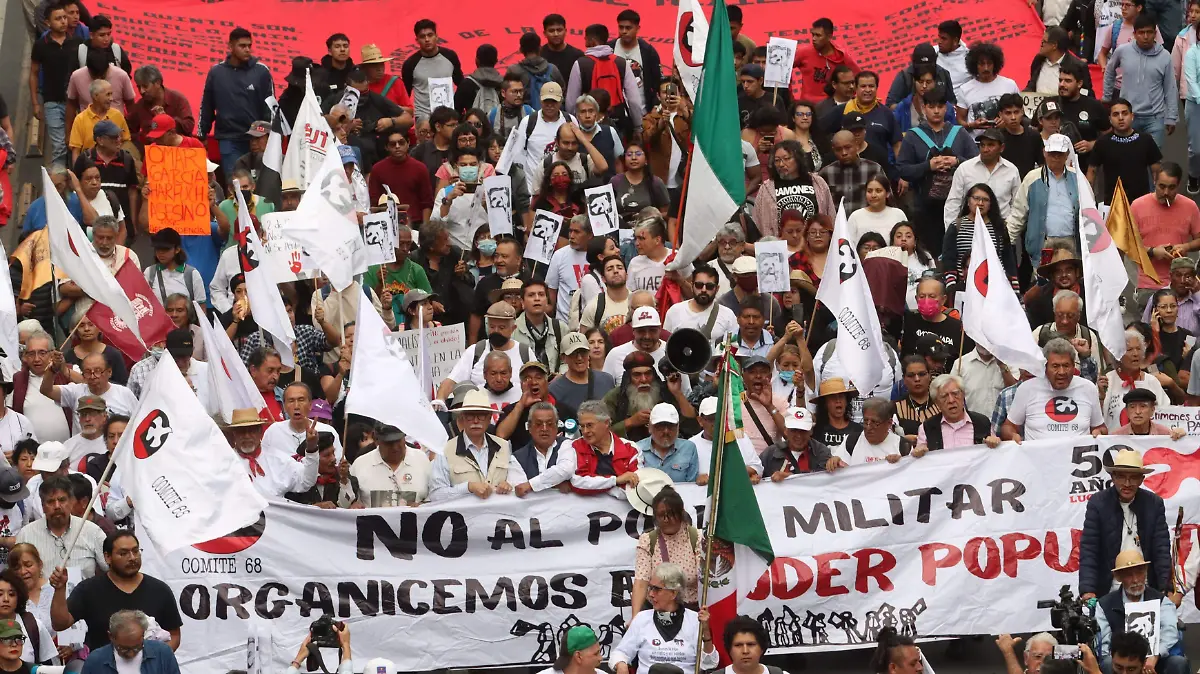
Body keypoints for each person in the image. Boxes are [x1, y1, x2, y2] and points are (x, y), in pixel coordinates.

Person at [1079, 448, 1170, 600]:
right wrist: (1087, 589)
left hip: (1146, 586)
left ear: (1141, 479)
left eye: (1133, 478)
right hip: (1109, 588)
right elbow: (1089, 549)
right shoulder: (1098, 503)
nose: (1127, 484)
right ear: (1113, 477)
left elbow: (1161, 548)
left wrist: (1165, 587)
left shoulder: (1154, 503)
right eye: (1121, 477)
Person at [896, 87, 977, 256]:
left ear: (946, 108)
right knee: (929, 254)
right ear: (924, 108)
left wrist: (957, 161)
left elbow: (977, 163)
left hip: (958, 206)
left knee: (959, 253)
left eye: (940, 106)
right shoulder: (912, 136)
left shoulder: (960, 133)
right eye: (931, 107)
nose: (936, 111)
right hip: (924, 208)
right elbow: (903, 169)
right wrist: (928, 166)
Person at [611, 562, 716, 674]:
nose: (651, 594)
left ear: (673, 593)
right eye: (650, 588)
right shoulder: (642, 619)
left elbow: (709, 664)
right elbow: (620, 653)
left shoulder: (695, 620)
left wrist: (706, 632)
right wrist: (621, 664)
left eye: (657, 589)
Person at [198, 28, 275, 177]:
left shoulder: (261, 71)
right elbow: (207, 105)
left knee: (259, 183)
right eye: (242, 46)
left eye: (249, 46)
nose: (247, 50)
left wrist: (267, 136)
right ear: (230, 46)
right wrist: (202, 134)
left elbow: (270, 107)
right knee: (235, 182)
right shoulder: (216, 72)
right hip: (229, 138)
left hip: (256, 138)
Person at [1095, 551, 1186, 674]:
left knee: (1178, 663)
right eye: (1129, 575)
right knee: (1107, 663)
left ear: (1146, 572)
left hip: (1156, 661)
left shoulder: (1161, 601)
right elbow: (1104, 645)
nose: (1135, 580)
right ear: (1118, 577)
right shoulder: (1104, 605)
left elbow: (1170, 631)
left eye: (1139, 572)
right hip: (1121, 663)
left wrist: (1155, 655)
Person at [1002, 338, 1105, 442]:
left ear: (1074, 366)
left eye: (1066, 366)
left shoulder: (1088, 388)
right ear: (1045, 367)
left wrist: (1099, 432)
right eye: (1055, 366)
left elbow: (1101, 427)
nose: (1061, 372)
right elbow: (1008, 427)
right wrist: (1013, 436)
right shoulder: (1026, 389)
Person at [429, 390, 525, 501]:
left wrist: (509, 485)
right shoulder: (445, 450)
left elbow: (519, 484)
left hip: (499, 511)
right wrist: (468, 487)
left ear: (489, 418)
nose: (475, 421)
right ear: (462, 418)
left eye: (481, 415)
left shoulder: (504, 446)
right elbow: (435, 494)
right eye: (470, 416)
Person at [1007, 134, 1083, 271]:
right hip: (1043, 243)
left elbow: (1089, 212)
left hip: (1072, 241)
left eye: (1060, 153)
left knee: (1071, 278)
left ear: (1067, 154)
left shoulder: (1078, 178)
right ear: (1044, 153)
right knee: (1043, 280)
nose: (1056, 157)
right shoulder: (1032, 178)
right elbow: (1018, 213)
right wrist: (1007, 242)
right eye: (1052, 153)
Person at [1104, 15, 1177, 149]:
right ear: (1134, 34)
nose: (1145, 36)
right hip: (1127, 116)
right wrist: (1107, 96)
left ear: (1155, 34)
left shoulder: (1165, 56)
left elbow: (1170, 88)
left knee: (1153, 158)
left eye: (1149, 32)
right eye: (1141, 33)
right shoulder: (1123, 51)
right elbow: (1109, 70)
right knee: (1127, 156)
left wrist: (1171, 117)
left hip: (1155, 118)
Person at [1129, 164, 1200, 297]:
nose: (1166, 192)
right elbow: (1128, 245)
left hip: (1180, 284)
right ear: (1154, 181)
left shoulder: (1190, 207)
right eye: (1162, 186)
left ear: (1178, 186)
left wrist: (1186, 246)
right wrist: (1153, 251)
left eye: (1171, 188)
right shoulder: (1138, 206)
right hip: (1148, 284)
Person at [15, 475, 104, 579]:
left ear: (71, 502)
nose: (57, 506)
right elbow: (17, 575)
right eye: (50, 501)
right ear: (43, 506)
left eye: (62, 500)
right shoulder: (26, 535)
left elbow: (110, 569)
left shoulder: (93, 532)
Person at [630, 487, 699, 621]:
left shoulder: (697, 538)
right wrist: (635, 619)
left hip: (690, 613)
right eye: (661, 515)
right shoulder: (647, 540)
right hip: (657, 612)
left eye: (670, 514)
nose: (666, 520)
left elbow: (705, 580)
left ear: (681, 512)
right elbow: (641, 583)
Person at [942, 183, 1019, 300]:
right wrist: (952, 287)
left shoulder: (999, 228)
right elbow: (949, 258)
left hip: (996, 287)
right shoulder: (956, 226)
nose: (980, 203)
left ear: (990, 204)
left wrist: (1014, 290)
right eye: (976, 198)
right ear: (968, 201)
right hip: (964, 287)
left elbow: (1008, 260)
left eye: (985, 200)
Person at [565, 24, 644, 136]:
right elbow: (634, 100)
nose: (585, 41)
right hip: (617, 120)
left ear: (592, 40)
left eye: (586, 38)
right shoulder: (621, 63)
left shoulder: (580, 64)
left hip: (588, 124)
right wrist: (637, 126)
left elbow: (571, 102)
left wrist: (574, 124)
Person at [223, 408, 318, 498]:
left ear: (260, 432)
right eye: (241, 431)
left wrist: (311, 448)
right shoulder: (223, 463)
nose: (247, 436)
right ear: (234, 434)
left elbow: (306, 481)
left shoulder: (278, 459)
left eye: (252, 431)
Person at [30, 3, 81, 168]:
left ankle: (74, 179)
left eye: (64, 17)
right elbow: (34, 73)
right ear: (47, 22)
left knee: (75, 144)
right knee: (59, 147)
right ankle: (59, 180)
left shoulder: (77, 43)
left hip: (75, 103)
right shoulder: (41, 45)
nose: (63, 21)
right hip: (52, 101)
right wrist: (35, 103)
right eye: (58, 19)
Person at [752, 140, 835, 237]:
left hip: (813, 242)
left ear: (798, 159)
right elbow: (758, 222)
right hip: (779, 243)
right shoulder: (766, 188)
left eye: (787, 158)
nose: (781, 164)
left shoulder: (817, 182)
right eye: (777, 160)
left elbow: (830, 215)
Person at [557, 400, 640, 497]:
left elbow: (635, 486)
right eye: (582, 426)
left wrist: (598, 486)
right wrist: (616, 480)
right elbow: (578, 482)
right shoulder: (573, 446)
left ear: (606, 423)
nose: (585, 431)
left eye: (589, 425)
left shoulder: (631, 448)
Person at [944, 129, 1021, 225]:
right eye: (982, 145)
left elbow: (1017, 205)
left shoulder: (1011, 170)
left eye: (990, 145)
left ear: (1001, 148)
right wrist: (951, 229)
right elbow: (953, 202)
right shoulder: (965, 169)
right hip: (970, 227)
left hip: (1001, 226)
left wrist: (1009, 229)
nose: (985, 149)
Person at [913, 374, 1000, 455]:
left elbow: (994, 454)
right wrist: (919, 452)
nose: (951, 400)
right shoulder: (927, 427)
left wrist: (994, 442)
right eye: (944, 396)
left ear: (963, 395)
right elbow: (919, 458)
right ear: (936, 402)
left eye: (955, 394)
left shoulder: (982, 422)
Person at [1100, 329, 1170, 428]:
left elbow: (1165, 414)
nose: (1135, 353)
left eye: (1138, 349)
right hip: (1114, 437)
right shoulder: (1108, 380)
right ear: (1118, 355)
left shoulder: (1152, 381)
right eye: (1129, 350)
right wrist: (1101, 397)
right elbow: (1097, 418)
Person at [349, 423, 429, 507]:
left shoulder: (421, 460)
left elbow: (433, 498)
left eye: (398, 441)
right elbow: (348, 501)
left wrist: (422, 506)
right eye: (389, 443)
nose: (395, 447)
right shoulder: (360, 465)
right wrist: (353, 505)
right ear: (376, 440)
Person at [78, 609, 181, 673]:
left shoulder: (162, 653)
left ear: (143, 635)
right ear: (111, 636)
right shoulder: (96, 661)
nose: (131, 654)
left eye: (137, 648)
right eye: (123, 649)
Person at [690, 397, 763, 485]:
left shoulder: (740, 436)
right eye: (711, 419)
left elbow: (758, 468)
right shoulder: (691, 445)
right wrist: (697, 479)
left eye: (720, 417)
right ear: (700, 421)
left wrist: (735, 471)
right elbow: (686, 479)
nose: (717, 422)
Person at [1031, 290, 1104, 378]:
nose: (1064, 321)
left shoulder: (1088, 336)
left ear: (1079, 315)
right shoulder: (1039, 334)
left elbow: (1096, 375)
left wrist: (1085, 355)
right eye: (1060, 315)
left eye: (1070, 316)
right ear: (1054, 313)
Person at [955, 43, 1020, 135]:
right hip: (976, 142)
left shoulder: (1010, 85)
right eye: (981, 64)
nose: (986, 68)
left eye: (989, 63)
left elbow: (1020, 113)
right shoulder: (965, 89)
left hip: (1006, 140)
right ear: (975, 65)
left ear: (995, 64)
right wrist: (972, 125)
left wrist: (1006, 121)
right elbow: (959, 121)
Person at [828, 397, 912, 468]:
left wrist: (901, 464)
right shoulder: (851, 441)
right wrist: (835, 462)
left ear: (889, 423)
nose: (868, 427)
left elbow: (910, 475)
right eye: (865, 421)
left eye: (875, 422)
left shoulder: (903, 446)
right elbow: (838, 469)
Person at [662, 266, 737, 343]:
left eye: (709, 286)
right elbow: (665, 344)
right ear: (692, 286)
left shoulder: (728, 315)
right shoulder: (675, 311)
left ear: (717, 289)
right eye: (699, 285)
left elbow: (733, 346)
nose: (704, 290)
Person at [792, 18, 858, 101]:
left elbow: (858, 78)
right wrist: (789, 96)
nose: (814, 39)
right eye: (813, 35)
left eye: (818, 35)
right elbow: (783, 68)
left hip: (833, 104)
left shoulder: (842, 56)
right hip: (809, 105)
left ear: (829, 37)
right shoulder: (804, 52)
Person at [819, 131, 882, 216]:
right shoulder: (826, 173)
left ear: (856, 145)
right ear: (833, 150)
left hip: (868, 221)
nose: (844, 153)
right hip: (836, 223)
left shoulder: (874, 169)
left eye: (848, 147)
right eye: (838, 149)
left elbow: (887, 200)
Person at [761, 406, 832, 481]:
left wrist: (836, 464)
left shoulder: (821, 452)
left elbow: (827, 481)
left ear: (811, 431)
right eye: (794, 430)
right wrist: (754, 476)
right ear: (785, 430)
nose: (798, 436)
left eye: (803, 431)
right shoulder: (770, 453)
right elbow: (756, 473)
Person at [634, 404, 698, 483]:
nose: (666, 431)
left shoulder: (689, 448)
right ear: (650, 427)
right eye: (660, 426)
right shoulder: (637, 449)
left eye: (671, 426)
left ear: (678, 427)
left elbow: (692, 485)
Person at [1024, 245, 1083, 328]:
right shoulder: (1040, 300)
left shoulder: (1091, 296)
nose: (1064, 275)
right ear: (1052, 275)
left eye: (1069, 270)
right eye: (1058, 271)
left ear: (1077, 272)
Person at [1112, 387, 1185, 437]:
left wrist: (1180, 437)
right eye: (1132, 407)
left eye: (1143, 406)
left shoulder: (1165, 434)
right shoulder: (1116, 437)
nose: (1137, 412)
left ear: (1152, 410)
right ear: (1127, 411)